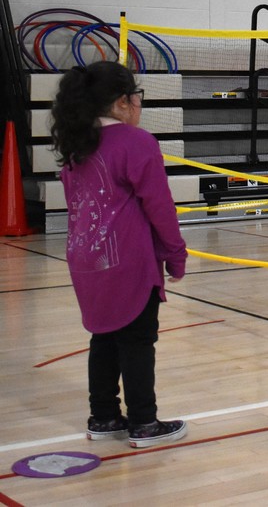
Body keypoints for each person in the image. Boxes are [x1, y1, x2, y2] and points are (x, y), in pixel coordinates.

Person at [50, 61, 188, 449]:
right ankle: (144, 422)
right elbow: (160, 207)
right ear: (123, 102)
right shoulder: (136, 142)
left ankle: (105, 416)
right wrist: (175, 255)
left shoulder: (76, 146)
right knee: (138, 339)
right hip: (128, 262)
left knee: (104, 337)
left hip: (85, 261)